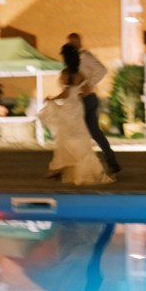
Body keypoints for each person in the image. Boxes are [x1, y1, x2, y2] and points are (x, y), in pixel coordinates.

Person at [39, 43, 114, 185]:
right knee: (79, 135)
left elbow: (66, 92)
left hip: (68, 108)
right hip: (77, 107)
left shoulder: (66, 74)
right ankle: (71, 166)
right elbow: (85, 90)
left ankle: (58, 166)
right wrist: (77, 95)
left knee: (66, 137)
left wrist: (52, 99)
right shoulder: (80, 74)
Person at [67, 33, 121, 175]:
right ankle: (110, 160)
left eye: (75, 42)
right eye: (70, 42)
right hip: (83, 98)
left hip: (87, 98)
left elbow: (102, 69)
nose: (73, 44)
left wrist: (89, 84)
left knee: (78, 131)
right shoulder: (73, 60)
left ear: (79, 42)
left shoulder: (84, 56)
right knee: (94, 131)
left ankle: (84, 164)